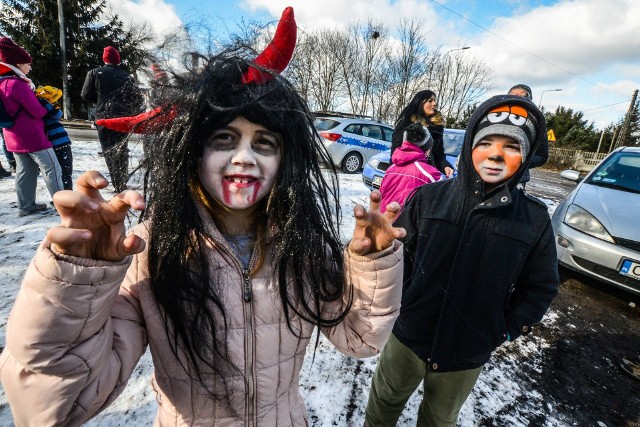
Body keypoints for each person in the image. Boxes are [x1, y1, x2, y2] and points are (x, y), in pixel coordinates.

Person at [0, 7, 407, 426]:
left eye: (265, 142)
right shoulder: (148, 251)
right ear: (192, 152)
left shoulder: (301, 245)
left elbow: (359, 338)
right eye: (224, 138)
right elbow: (54, 406)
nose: (245, 158)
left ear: (286, 159)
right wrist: (77, 280)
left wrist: (372, 265)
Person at [364, 95, 560, 426]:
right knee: (383, 404)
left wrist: (504, 329)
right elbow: (399, 257)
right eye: (487, 142)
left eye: (512, 146)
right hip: (408, 336)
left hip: (466, 353)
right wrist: (395, 294)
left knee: (440, 420)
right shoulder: (429, 197)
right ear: (470, 145)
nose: (497, 153)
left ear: (525, 157)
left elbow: (540, 286)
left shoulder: (533, 219)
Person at [0, 37, 63, 216]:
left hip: (13, 138)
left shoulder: (2, 83)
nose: (30, 67)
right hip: (33, 137)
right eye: (28, 64)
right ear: (18, 64)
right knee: (52, 168)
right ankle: (64, 206)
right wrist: (46, 103)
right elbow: (37, 111)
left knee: (24, 172)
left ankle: (25, 206)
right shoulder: (17, 85)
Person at [81, 45, 144, 192]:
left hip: (104, 117)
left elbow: (85, 94)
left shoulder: (95, 73)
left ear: (105, 59)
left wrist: (100, 101)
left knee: (109, 150)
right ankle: (122, 180)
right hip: (124, 118)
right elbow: (137, 98)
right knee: (122, 149)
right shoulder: (126, 76)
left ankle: (117, 184)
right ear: (118, 60)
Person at [379, 122, 442, 213]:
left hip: (383, 221)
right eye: (430, 147)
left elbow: (381, 195)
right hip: (405, 225)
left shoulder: (391, 169)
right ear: (427, 148)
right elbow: (440, 205)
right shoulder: (431, 174)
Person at [391, 90, 454, 178]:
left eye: (434, 101)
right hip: (408, 175)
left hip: (428, 175)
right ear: (420, 103)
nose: (434, 104)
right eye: (430, 100)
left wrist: (445, 166)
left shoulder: (437, 127)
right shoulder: (406, 123)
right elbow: (396, 153)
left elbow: (439, 154)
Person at [508, 84, 549, 187]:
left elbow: (542, 156)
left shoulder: (535, 122)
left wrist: (521, 162)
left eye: (521, 94)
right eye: (512, 94)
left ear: (528, 98)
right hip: (486, 179)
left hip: (516, 181)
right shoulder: (493, 117)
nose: (516, 96)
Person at [35, 85, 74, 190]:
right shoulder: (42, 104)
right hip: (59, 142)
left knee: (59, 172)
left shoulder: (38, 105)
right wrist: (46, 101)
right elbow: (57, 114)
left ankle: (64, 196)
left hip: (55, 143)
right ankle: (66, 195)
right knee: (65, 172)